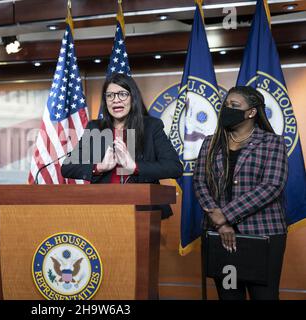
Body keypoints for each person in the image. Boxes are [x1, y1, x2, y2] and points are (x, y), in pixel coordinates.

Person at [193, 86, 288, 300]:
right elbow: (200, 182)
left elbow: (271, 185)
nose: (227, 109)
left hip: (263, 233)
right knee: (229, 295)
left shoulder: (273, 143)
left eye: (234, 106)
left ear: (251, 112)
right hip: (219, 233)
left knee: (264, 296)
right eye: (226, 105)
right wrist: (220, 222)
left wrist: (225, 214)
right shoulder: (211, 142)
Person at [61, 73, 182, 218]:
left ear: (133, 98)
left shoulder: (151, 127)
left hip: (144, 212)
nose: (116, 100)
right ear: (105, 101)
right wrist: (98, 167)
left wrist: (135, 167)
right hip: (102, 212)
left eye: (122, 94)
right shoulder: (96, 128)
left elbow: (174, 167)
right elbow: (68, 167)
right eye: (110, 95)